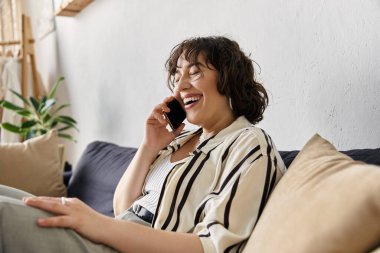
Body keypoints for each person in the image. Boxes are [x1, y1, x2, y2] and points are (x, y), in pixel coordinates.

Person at [0, 36, 286, 253]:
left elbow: (212, 246)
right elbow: (122, 206)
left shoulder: (249, 144)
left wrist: (100, 226)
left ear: (229, 78)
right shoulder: (180, 140)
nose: (180, 86)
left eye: (195, 72)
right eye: (177, 75)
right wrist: (149, 146)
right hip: (115, 231)